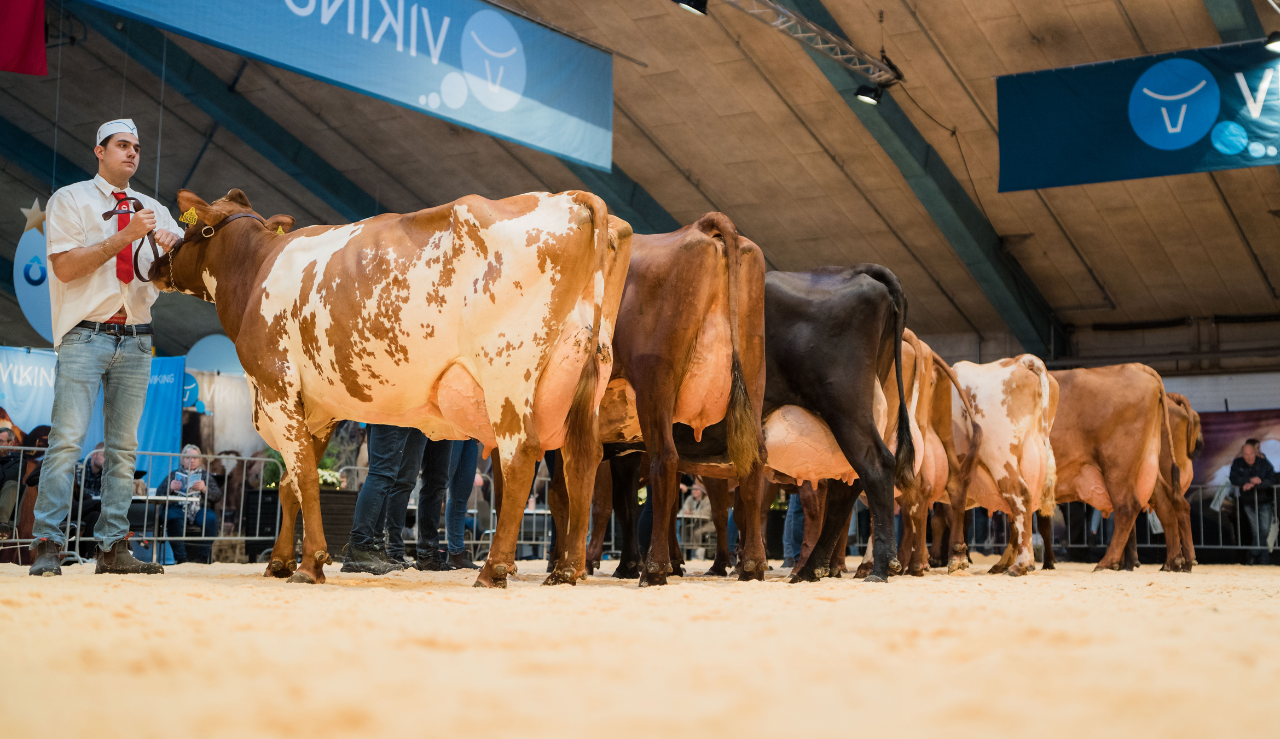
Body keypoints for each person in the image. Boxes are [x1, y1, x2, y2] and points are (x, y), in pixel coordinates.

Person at [29, 119, 181, 577]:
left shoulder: (154, 209)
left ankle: (113, 548)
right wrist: (126, 235)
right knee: (66, 441)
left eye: (136, 147)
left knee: (124, 449)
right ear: (99, 151)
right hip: (84, 334)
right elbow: (65, 268)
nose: (132, 153)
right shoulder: (70, 199)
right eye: (122, 145)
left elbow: (173, 277)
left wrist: (175, 248)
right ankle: (47, 545)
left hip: (138, 337)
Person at [342, 424, 428, 575]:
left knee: (382, 475)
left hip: (384, 414)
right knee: (381, 474)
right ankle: (359, 548)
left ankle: (375, 548)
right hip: (394, 414)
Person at [416, 439, 481, 569]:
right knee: (436, 487)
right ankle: (427, 552)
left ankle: (457, 554)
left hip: (471, 434)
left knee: (461, 495)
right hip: (452, 431)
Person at [154, 445, 222, 563]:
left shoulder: (205, 476)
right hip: (178, 508)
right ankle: (181, 559)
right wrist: (170, 488)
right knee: (173, 517)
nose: (192, 460)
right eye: (188, 457)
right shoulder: (174, 474)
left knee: (210, 519)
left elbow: (217, 495)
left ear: (199, 459)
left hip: (199, 509)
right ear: (182, 459)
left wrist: (204, 489)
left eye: (195, 457)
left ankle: (202, 558)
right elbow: (158, 494)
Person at [1229, 439, 1277, 564]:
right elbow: (1233, 478)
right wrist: (1248, 480)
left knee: (1264, 530)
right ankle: (1264, 560)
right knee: (1257, 532)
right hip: (1248, 502)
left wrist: (1259, 483)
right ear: (1242, 454)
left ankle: (1253, 552)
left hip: (1264, 501)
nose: (1249, 457)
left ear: (1255, 453)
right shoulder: (1238, 463)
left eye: (1251, 454)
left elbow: (1272, 479)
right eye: (1246, 454)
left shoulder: (1263, 463)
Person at [0, 427, 22, 540]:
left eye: (0, 441)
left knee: (12, 484)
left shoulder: (18, 460)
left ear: (11, 443)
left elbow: (6, 479)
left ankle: (1, 525)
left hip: (5, 500)